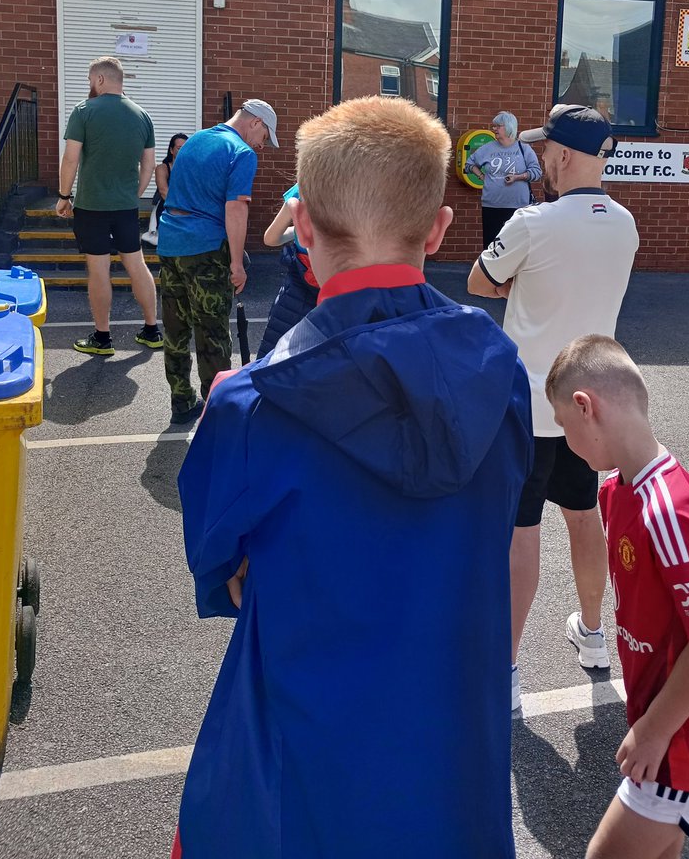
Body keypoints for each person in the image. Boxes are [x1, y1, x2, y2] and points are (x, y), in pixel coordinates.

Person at [172, 95, 533, 859]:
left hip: (303, 767)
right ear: (438, 229)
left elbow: (225, 573)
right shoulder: (500, 372)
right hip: (449, 760)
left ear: (302, 230)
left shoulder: (250, 405)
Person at [546, 336, 689, 859]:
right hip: (669, 726)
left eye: (565, 430)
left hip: (687, 738)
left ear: (585, 407)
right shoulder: (616, 491)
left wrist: (652, 732)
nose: (567, 444)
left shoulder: (666, 511)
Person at [467, 103, 639, 712]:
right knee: (583, 515)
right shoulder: (625, 225)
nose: (540, 158)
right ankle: (594, 636)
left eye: (545, 150)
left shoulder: (531, 223)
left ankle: (509, 667)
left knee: (521, 531)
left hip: (530, 406)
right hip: (590, 406)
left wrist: (524, 283)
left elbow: (478, 281)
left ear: (564, 154)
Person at [157, 99, 278, 425]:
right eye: (265, 137)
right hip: (207, 250)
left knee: (175, 328)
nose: (261, 146)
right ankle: (217, 413)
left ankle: (181, 402)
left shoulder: (195, 140)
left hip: (170, 244)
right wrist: (236, 264)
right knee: (211, 334)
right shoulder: (241, 153)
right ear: (255, 122)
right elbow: (236, 209)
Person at [57, 56, 162, 357]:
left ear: (100, 79)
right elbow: (149, 165)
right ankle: (152, 330)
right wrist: (134, 194)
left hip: (92, 207)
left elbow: (70, 159)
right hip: (126, 208)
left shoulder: (84, 111)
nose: (90, 87)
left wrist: (65, 197)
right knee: (136, 265)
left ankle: (103, 339)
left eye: (91, 81)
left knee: (99, 270)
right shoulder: (142, 115)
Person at [256, 181, 319, 360]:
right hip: (338, 299)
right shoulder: (364, 186)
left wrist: (297, 231)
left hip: (294, 293)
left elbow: (271, 238)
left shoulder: (304, 186)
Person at [465, 111, 542, 246]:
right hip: (492, 205)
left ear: (509, 127)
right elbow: (469, 164)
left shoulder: (524, 148)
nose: (494, 129)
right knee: (491, 245)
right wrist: (482, 176)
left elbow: (536, 172)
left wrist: (518, 177)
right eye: (494, 126)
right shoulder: (487, 148)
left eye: (498, 126)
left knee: (516, 245)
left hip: (518, 207)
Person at [142, 133, 188, 246]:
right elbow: (163, 191)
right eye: (179, 148)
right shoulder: (163, 168)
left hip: (188, 207)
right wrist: (182, 209)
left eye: (186, 148)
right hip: (167, 206)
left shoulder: (192, 169)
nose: (182, 151)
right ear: (171, 150)